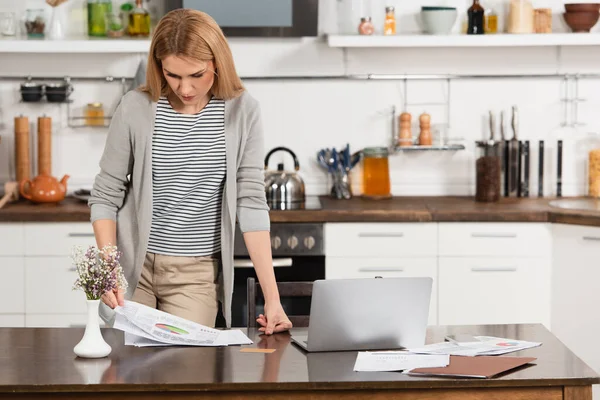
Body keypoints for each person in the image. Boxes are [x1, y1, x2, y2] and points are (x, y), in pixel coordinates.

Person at [88, 8, 292, 335]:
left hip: (195, 276)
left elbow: (252, 203)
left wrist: (272, 298)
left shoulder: (243, 111)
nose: (184, 88)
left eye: (196, 75)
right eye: (173, 75)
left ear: (217, 63)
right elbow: (105, 195)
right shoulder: (135, 107)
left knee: (185, 376)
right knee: (126, 377)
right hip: (131, 269)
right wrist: (109, 271)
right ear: (159, 68)